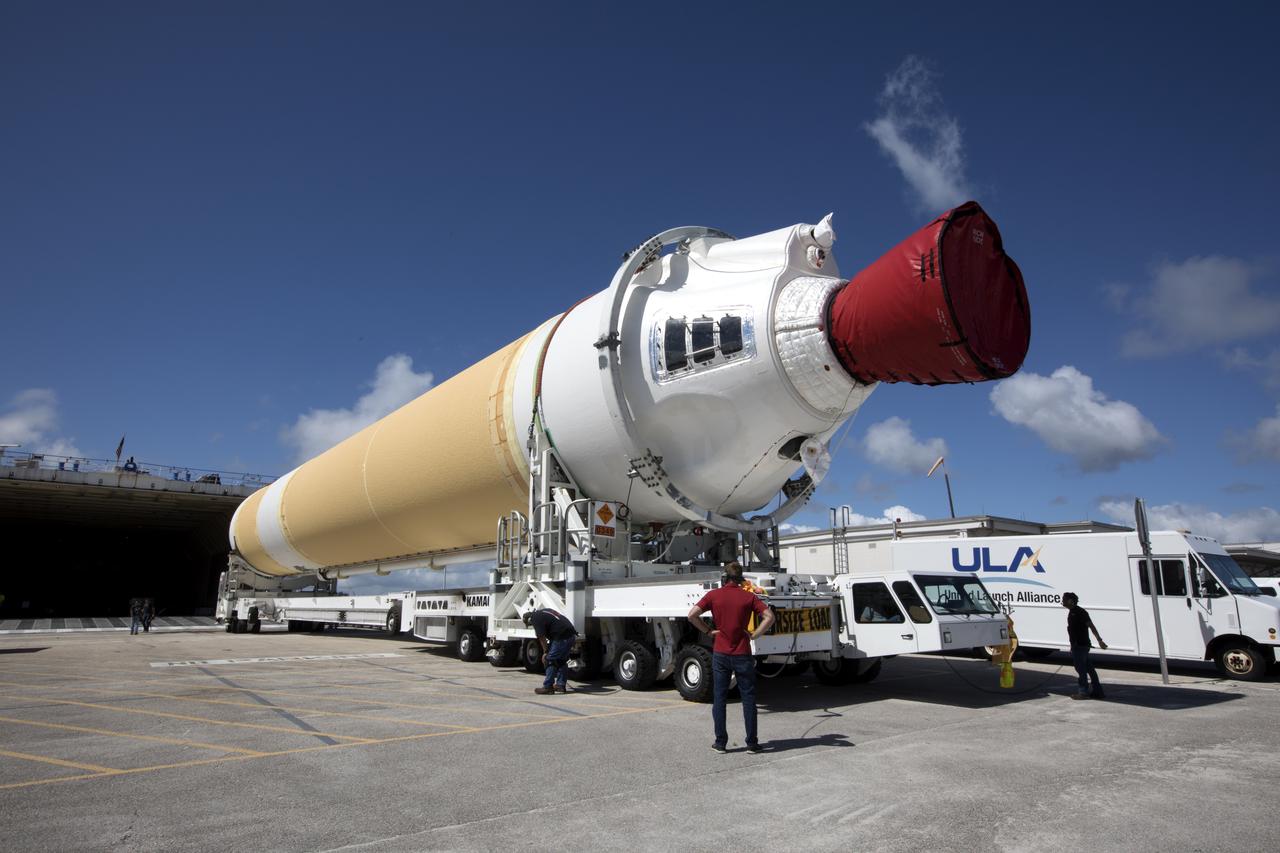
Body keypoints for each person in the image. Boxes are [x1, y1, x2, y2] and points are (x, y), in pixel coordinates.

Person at [687, 562, 775, 753]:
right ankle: (752, 743)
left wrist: (709, 631)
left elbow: (692, 615)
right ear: (740, 580)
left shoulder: (714, 595)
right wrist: (755, 634)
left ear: (725, 578)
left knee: (719, 698)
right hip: (742, 653)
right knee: (748, 698)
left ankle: (720, 743)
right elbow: (769, 617)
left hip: (721, 653)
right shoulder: (748, 597)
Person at [1062, 592, 1107, 699]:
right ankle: (1098, 691)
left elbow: (1091, 626)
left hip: (1081, 645)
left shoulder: (1080, 612)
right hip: (1080, 645)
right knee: (1090, 669)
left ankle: (1083, 692)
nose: (1062, 601)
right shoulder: (1073, 612)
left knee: (1081, 670)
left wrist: (1100, 640)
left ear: (1070, 601)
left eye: (1064, 599)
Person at [523, 608, 577, 695]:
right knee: (561, 661)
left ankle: (548, 687)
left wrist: (545, 652)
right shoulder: (544, 612)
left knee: (550, 660)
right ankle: (560, 685)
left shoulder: (535, 618)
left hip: (561, 637)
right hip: (570, 635)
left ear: (529, 620)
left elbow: (541, 637)